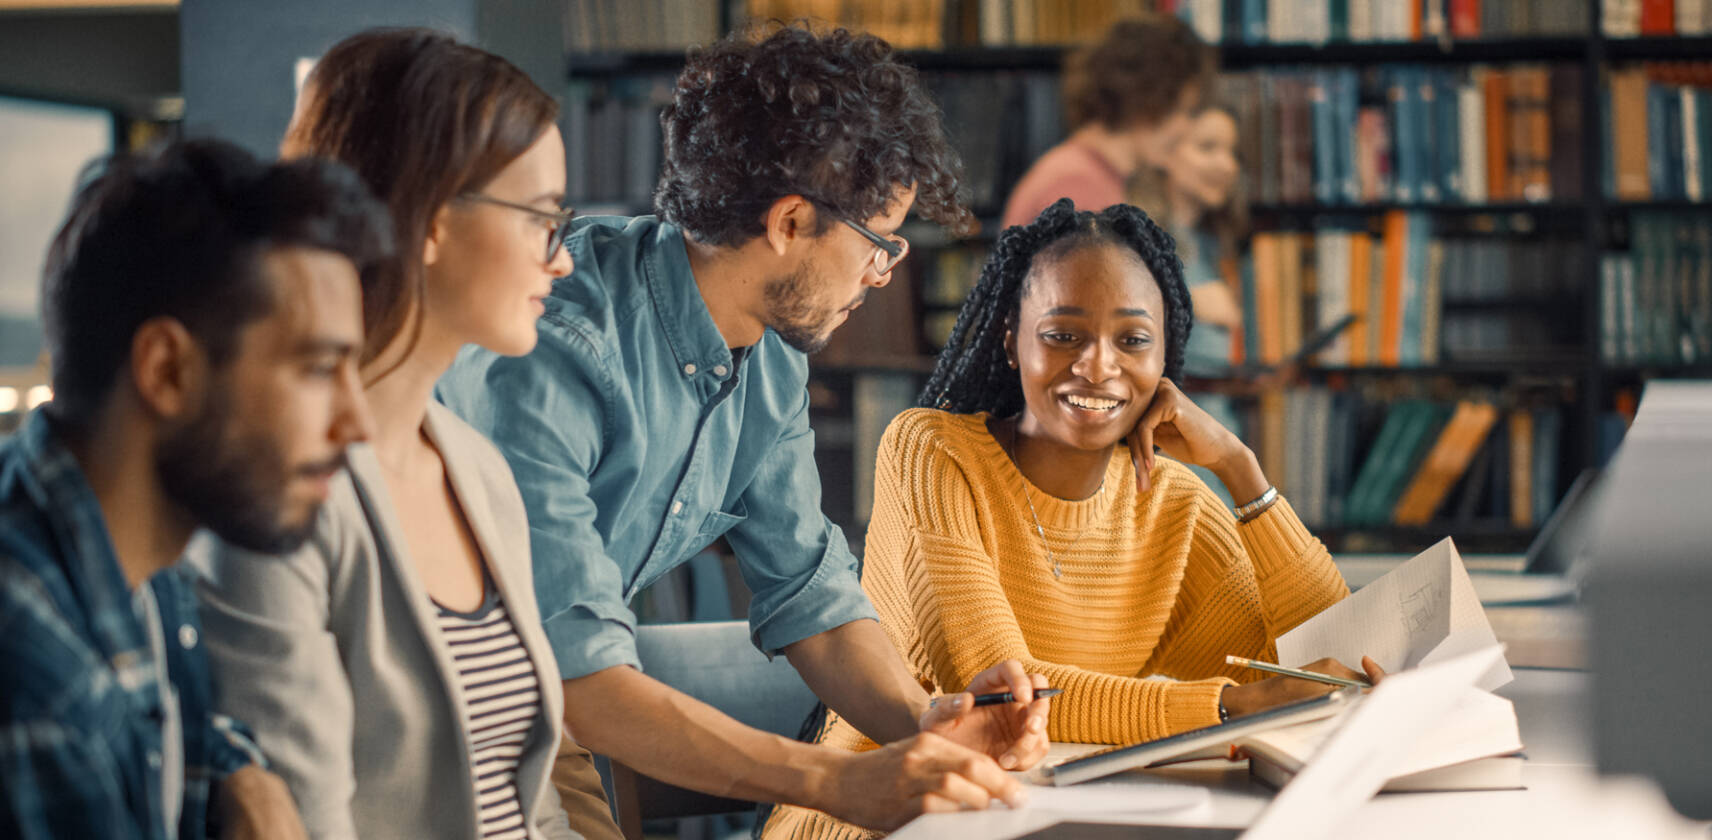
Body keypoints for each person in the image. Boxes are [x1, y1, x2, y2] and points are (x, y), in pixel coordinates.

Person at [435, 24, 1049, 835]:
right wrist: (836, 779)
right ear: (791, 222)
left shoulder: (766, 358)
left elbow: (811, 596)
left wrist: (929, 723)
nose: (882, 272)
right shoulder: (556, 347)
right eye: (878, 241)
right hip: (442, 704)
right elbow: (577, 674)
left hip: (555, 705)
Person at [765, 198, 1384, 840]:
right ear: (1010, 338)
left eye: (1133, 339)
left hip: (1053, 811)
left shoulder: (1173, 500)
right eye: (1063, 335)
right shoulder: (932, 452)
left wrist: (1239, 467)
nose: (1097, 365)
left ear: (1165, 355)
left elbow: (1314, 661)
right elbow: (1005, 698)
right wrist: (1230, 706)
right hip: (883, 815)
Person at [188, 29, 584, 840]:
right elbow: (302, 820)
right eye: (543, 218)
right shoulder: (279, 494)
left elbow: (533, 804)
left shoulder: (479, 471)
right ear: (433, 223)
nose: (563, 260)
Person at [0, 139, 389, 839]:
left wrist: (240, 769)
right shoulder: (34, 684)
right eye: (319, 368)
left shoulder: (142, 555)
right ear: (168, 371)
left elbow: (184, 723)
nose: (357, 425)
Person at [1129, 104, 1251, 502]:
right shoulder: (1137, 238)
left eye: (1232, 152)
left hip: (1216, 417)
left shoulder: (1213, 244)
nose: (1226, 165)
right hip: (1168, 437)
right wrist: (1192, 301)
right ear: (1164, 153)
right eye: (1208, 148)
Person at [1001, 15, 1215, 227]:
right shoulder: (1077, 185)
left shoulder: (1087, 175)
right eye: (1181, 111)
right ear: (1145, 97)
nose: (1186, 127)